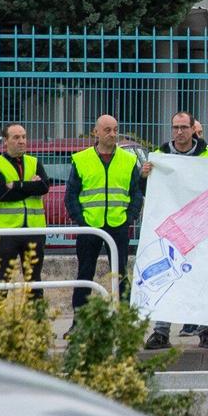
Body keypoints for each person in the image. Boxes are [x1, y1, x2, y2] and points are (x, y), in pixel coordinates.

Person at [145, 111, 208, 351]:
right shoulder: (160, 157)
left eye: (183, 127)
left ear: (193, 129)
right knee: (166, 280)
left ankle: (205, 332)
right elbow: (143, 189)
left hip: (200, 229)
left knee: (202, 281)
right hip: (169, 229)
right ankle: (160, 332)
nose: (179, 132)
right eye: (175, 127)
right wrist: (143, 175)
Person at [65, 114, 142, 313]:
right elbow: (71, 195)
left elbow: (136, 193)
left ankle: (124, 320)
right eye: (107, 130)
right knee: (85, 274)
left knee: (121, 274)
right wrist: (81, 220)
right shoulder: (82, 159)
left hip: (118, 225)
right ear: (96, 132)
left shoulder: (129, 160)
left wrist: (129, 218)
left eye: (115, 129)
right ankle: (79, 321)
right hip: (90, 226)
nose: (112, 134)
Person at [0, 122, 49, 291]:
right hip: (6, 232)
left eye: (24, 137)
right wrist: (30, 186)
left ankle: (36, 316)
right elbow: (3, 195)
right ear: (5, 141)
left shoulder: (35, 162)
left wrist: (17, 185)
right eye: (16, 137)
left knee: (34, 280)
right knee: (2, 280)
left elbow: (44, 187)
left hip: (34, 230)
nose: (22, 141)